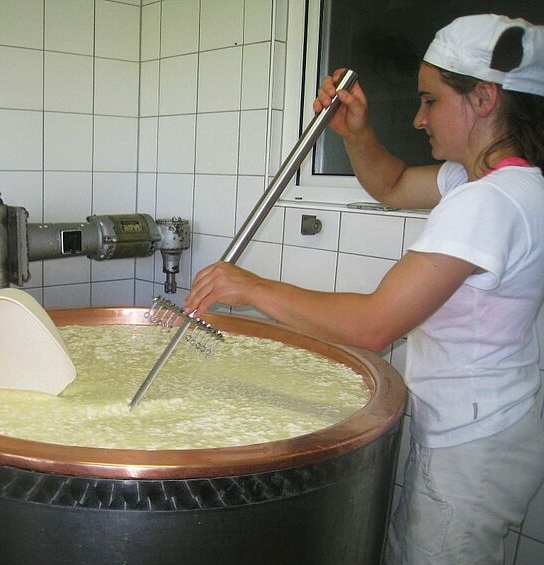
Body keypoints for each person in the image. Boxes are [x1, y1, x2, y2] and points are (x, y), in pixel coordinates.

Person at [184, 13, 544, 565]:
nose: (420, 119)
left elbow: (374, 325)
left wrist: (252, 287)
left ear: (485, 99)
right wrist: (357, 133)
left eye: (430, 100)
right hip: (482, 424)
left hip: (472, 444)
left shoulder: (490, 201)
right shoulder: (497, 182)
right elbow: (394, 184)